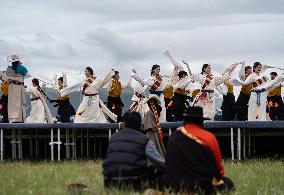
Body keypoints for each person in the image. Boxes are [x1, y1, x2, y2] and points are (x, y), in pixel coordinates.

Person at [160, 106, 235, 193]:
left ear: (185, 120)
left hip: (177, 184)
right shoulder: (209, 137)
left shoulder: (174, 136)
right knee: (227, 183)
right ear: (201, 122)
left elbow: (169, 163)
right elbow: (219, 169)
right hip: (203, 185)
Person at [103, 111, 165, 191]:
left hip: (110, 183)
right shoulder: (144, 140)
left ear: (124, 124)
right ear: (140, 125)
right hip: (134, 183)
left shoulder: (113, 138)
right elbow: (160, 163)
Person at [0, 54, 29, 123]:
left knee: (13, 105)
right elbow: (26, 73)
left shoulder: (9, 69)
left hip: (13, 89)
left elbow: (5, 77)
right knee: (17, 105)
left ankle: (15, 119)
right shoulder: (20, 68)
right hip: (16, 88)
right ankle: (17, 119)